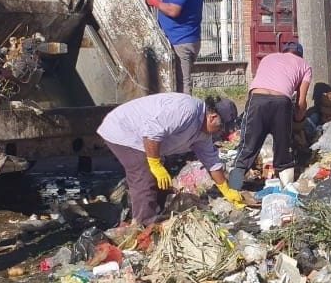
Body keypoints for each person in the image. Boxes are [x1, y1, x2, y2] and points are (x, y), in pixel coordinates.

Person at [97, 93, 244, 226]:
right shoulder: (187, 110)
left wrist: (226, 189)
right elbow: (152, 132)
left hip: (145, 138)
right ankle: (145, 225)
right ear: (212, 117)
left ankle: (157, 213)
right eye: (221, 127)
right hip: (124, 130)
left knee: (162, 177)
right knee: (145, 174)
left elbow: (212, 162)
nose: (221, 132)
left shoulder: (204, 134)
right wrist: (155, 164)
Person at [228, 42, 312, 190]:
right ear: (300, 54)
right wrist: (298, 120)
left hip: (257, 100)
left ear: (284, 51)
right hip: (282, 102)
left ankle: (233, 187)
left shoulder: (268, 58)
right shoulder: (304, 65)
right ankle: (287, 189)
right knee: (283, 148)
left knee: (247, 147)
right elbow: (301, 102)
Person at [133, 0, 205, 94]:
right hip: (183, 39)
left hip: (181, 41)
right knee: (177, 83)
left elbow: (173, 10)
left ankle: (186, 115)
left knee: (183, 85)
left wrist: (155, 2)